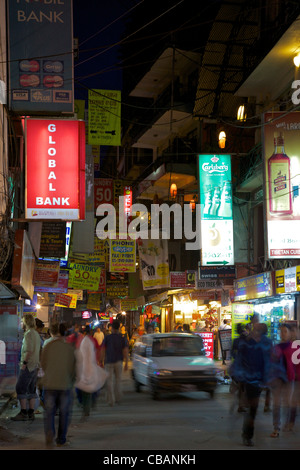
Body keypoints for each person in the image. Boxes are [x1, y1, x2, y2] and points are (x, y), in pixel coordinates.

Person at [230, 322, 272, 446]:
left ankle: (247, 433)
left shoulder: (264, 344)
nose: (254, 332)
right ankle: (247, 435)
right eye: (254, 329)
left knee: (253, 408)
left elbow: (268, 362)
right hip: (250, 380)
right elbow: (238, 361)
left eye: (257, 330)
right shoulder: (246, 344)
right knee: (252, 407)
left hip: (258, 380)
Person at [40, 323, 76, 447]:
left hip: (49, 384)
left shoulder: (48, 346)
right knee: (64, 413)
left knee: (49, 412)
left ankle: (50, 432)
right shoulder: (69, 348)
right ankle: (61, 439)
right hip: (65, 384)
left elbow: (43, 364)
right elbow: (73, 368)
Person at [11, 314, 41, 421]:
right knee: (31, 388)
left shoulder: (28, 334)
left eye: (23, 322)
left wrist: (24, 363)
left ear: (26, 322)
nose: (22, 324)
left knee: (20, 387)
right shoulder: (36, 334)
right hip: (35, 365)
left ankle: (23, 413)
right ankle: (31, 413)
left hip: (28, 365)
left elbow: (29, 351)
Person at [268, 323, 294, 437]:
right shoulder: (276, 347)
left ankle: (287, 423)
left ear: (289, 333)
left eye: (285, 331)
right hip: (277, 379)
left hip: (289, 378)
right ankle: (276, 427)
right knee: (277, 404)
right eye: (281, 331)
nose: (282, 334)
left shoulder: (294, 347)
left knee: (288, 403)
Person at [75, 325, 107, 419]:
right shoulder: (90, 340)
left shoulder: (84, 341)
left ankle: (86, 409)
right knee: (89, 389)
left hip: (86, 368)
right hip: (91, 366)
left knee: (86, 390)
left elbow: (81, 355)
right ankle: (88, 407)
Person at [100, 319, 129, 407]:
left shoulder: (107, 338)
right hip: (119, 362)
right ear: (119, 328)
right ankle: (118, 398)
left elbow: (103, 350)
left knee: (109, 381)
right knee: (118, 380)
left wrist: (101, 361)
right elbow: (125, 351)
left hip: (108, 362)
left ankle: (111, 400)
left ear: (112, 328)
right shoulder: (122, 338)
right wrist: (126, 362)